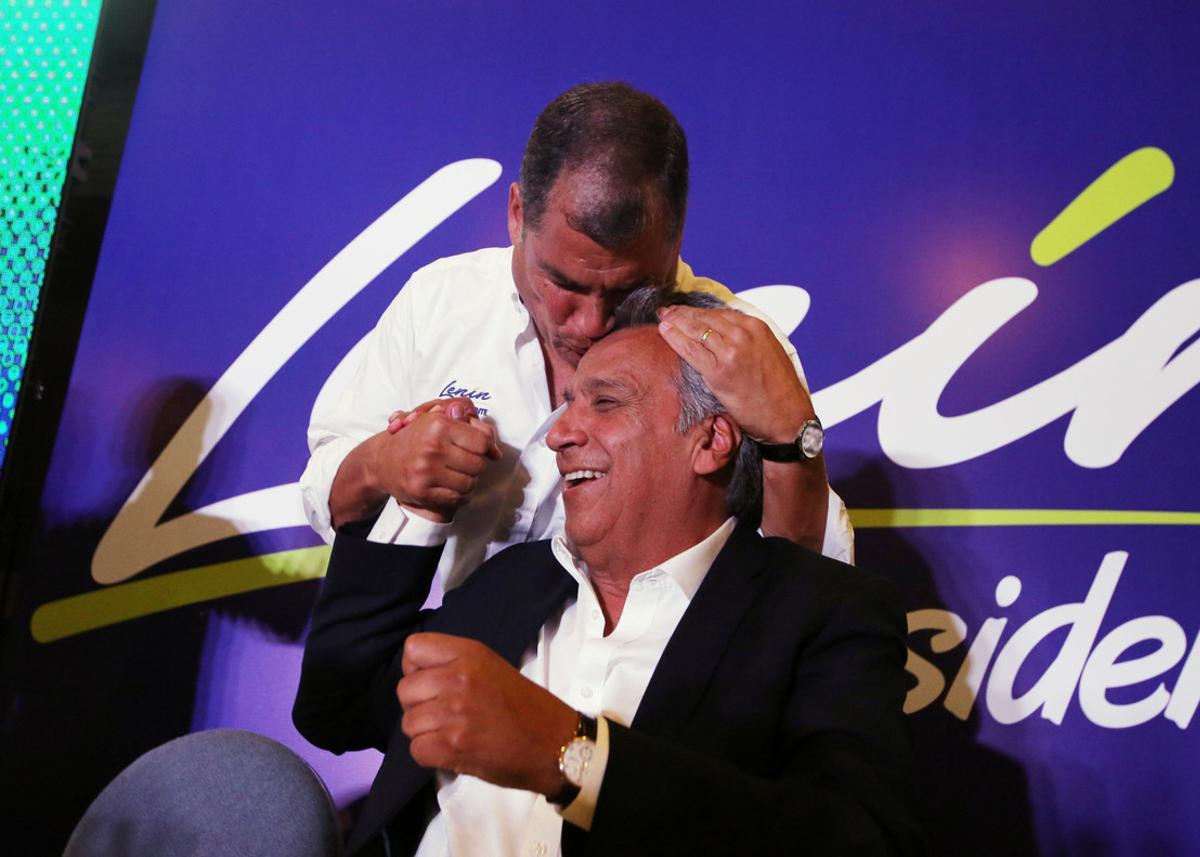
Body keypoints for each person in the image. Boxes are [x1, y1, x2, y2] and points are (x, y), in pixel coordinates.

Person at [294, 289, 925, 856]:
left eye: (605, 402)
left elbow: (859, 840)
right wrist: (420, 506)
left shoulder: (822, 614)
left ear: (709, 441)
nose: (559, 434)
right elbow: (338, 708)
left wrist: (569, 755)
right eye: (569, 403)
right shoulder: (514, 583)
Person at [298, 81, 853, 597]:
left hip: (649, 693)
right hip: (448, 666)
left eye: (632, 289)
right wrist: (384, 464)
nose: (590, 323)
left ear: (677, 236)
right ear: (517, 215)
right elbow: (324, 493)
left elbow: (814, 584)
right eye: (562, 282)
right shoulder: (441, 300)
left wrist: (792, 440)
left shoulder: (739, 345)